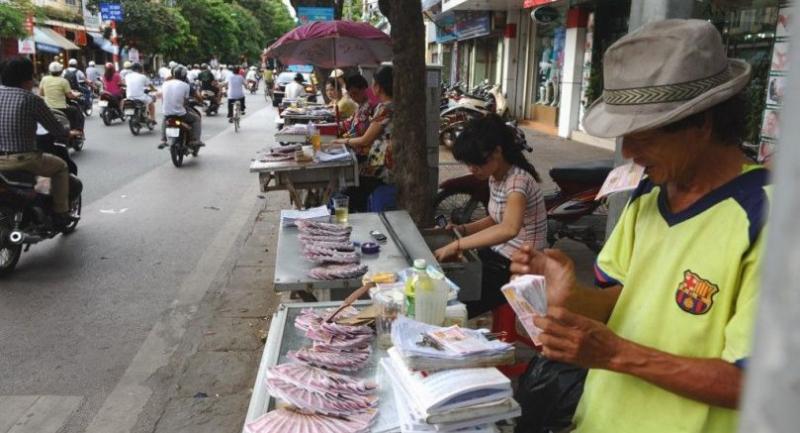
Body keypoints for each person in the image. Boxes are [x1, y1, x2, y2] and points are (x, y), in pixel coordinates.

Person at [509, 20, 767, 433]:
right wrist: (570, 296)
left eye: (642, 134)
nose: (627, 151)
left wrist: (616, 355)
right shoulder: (649, 195)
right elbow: (623, 302)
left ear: (702, 123)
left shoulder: (768, 218)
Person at [435, 114, 547, 318]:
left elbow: (509, 228)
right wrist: (463, 231)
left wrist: (458, 245)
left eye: (477, 163)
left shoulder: (517, 183)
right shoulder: (495, 176)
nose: (472, 169)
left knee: (450, 307)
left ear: (497, 152)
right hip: (499, 256)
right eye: (468, 163)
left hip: (520, 265)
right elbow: (496, 219)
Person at [0, 56, 77, 228]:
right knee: (61, 167)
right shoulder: (30, 99)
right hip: (24, 159)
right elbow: (55, 128)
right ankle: (61, 213)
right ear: (27, 79)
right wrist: (68, 133)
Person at [329, 65, 394, 211]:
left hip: (382, 168)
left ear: (377, 86)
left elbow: (365, 139)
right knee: (350, 190)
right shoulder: (385, 107)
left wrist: (342, 141)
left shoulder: (386, 109)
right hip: (378, 161)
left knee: (344, 196)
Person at [159, 66, 203, 149]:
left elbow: (162, 98)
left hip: (167, 111)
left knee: (165, 118)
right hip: (180, 113)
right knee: (197, 119)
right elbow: (185, 102)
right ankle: (195, 140)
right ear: (184, 75)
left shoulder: (165, 83)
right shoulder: (185, 85)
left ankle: (163, 140)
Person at [40, 61, 84, 132]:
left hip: (48, 108)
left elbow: (41, 93)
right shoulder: (64, 81)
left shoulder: (44, 79)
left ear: (50, 71)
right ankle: (76, 131)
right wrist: (77, 95)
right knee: (76, 112)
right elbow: (70, 96)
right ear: (60, 71)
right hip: (61, 108)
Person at [341, 74, 375, 140]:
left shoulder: (372, 106)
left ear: (364, 89)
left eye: (355, 93)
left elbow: (361, 130)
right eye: (351, 95)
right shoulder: (360, 106)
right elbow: (350, 121)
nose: (353, 98)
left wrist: (346, 138)